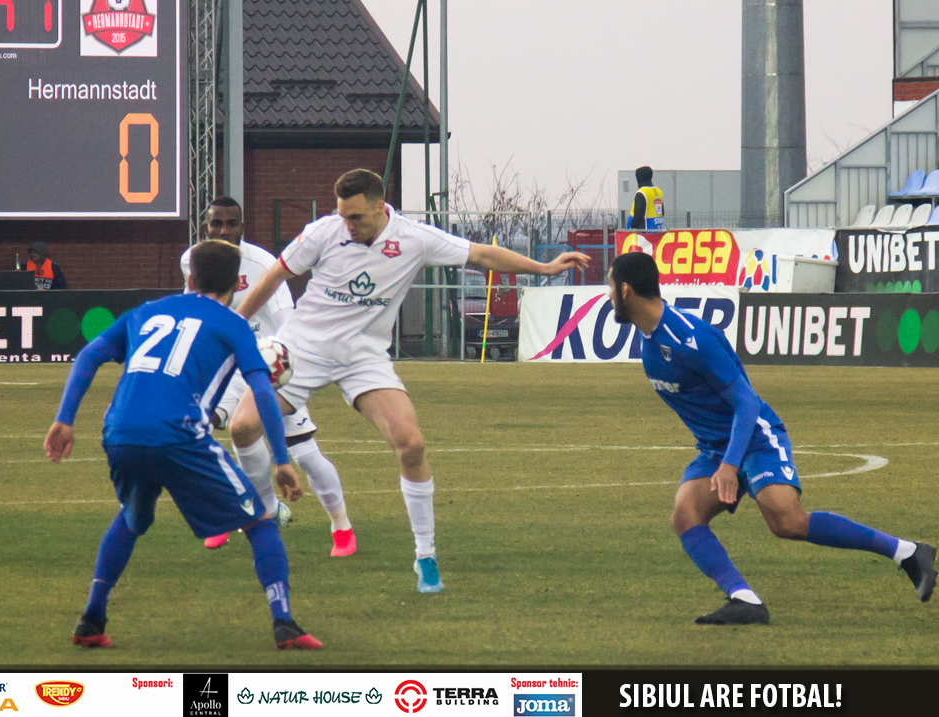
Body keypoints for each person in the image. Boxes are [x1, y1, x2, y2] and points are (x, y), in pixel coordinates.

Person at [229, 168, 591, 593]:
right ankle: (266, 512)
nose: (348, 224)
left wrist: (543, 268)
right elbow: (273, 277)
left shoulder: (414, 238)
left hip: (364, 358)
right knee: (242, 426)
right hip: (301, 351)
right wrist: (233, 323)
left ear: (381, 209)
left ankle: (425, 558)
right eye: (343, 215)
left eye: (357, 217)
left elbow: (483, 256)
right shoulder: (323, 233)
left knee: (411, 443)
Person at [607, 251, 936, 624]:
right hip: (717, 447)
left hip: (754, 435)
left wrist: (732, 464)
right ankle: (744, 600)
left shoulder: (691, 337)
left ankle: (908, 553)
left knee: (787, 522)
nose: (608, 295)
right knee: (686, 513)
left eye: (609, 286)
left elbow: (746, 401)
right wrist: (721, 456)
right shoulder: (648, 342)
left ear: (626, 289)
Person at [43, 239, 322, 650]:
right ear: (236, 283)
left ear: (189, 276)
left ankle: (91, 620)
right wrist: (281, 459)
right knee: (260, 519)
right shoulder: (233, 325)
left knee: (133, 517)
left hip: (120, 432)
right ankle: (284, 624)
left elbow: (88, 354)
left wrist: (64, 419)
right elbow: (261, 390)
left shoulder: (146, 312)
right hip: (178, 434)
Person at [179, 197, 356, 556]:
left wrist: (286, 362)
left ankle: (341, 526)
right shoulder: (192, 259)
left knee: (304, 453)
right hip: (226, 367)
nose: (223, 231)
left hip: (268, 364)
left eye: (232, 224)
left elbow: (288, 320)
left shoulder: (260, 263)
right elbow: (195, 308)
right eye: (216, 224)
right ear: (205, 226)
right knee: (196, 431)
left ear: (243, 227)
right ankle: (249, 512)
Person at [627, 166, 665, 231]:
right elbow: (662, 212)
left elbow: (638, 216)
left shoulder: (642, 192)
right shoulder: (659, 191)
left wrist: (631, 225)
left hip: (644, 233)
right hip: (657, 231)